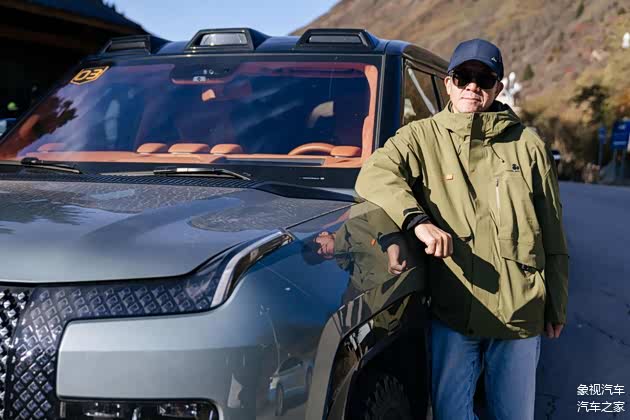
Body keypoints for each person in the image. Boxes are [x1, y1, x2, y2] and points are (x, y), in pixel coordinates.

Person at [355, 38, 569, 419]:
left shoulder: (529, 145)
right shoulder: (421, 137)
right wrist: (417, 222)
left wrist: (557, 303)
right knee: (451, 413)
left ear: (497, 88)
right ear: (449, 83)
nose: (473, 86)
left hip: (519, 313)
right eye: (463, 77)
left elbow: (552, 230)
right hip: (454, 309)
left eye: (484, 79)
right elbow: (374, 174)